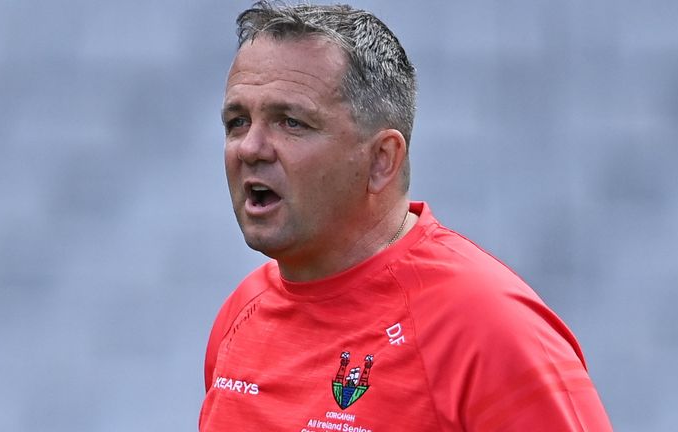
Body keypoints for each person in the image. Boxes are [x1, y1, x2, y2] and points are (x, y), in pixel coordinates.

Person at [200, 1, 612, 431]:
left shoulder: (486, 326)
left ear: (382, 160)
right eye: (237, 122)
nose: (250, 148)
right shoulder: (241, 314)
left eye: (291, 122)